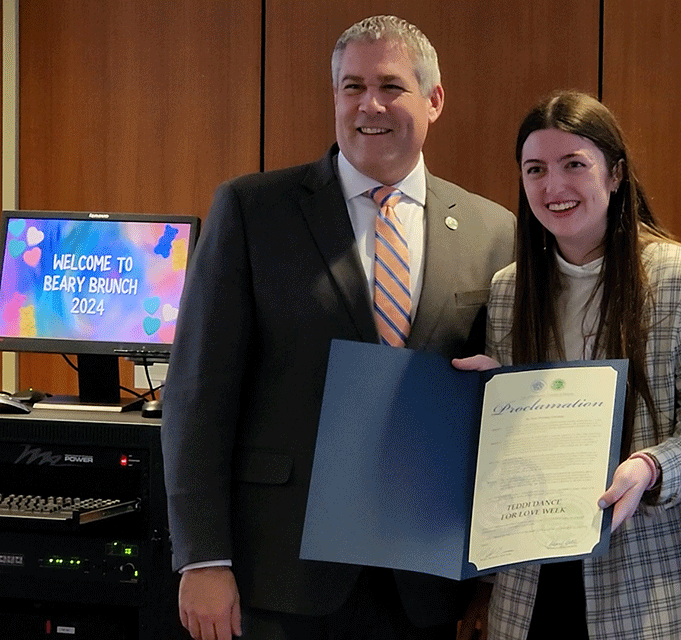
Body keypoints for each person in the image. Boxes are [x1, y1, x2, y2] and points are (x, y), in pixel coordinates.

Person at [161, 15, 515, 640]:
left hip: (426, 583)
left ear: (434, 100)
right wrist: (203, 559)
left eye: (390, 86)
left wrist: (489, 580)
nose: (369, 105)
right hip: (282, 575)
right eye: (351, 87)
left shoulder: (494, 232)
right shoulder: (253, 211)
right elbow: (196, 396)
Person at [455, 90, 681, 639]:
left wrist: (650, 468)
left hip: (647, 583)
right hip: (531, 582)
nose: (553, 186)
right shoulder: (510, 289)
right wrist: (491, 400)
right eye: (535, 169)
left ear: (615, 175)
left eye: (574, 165)